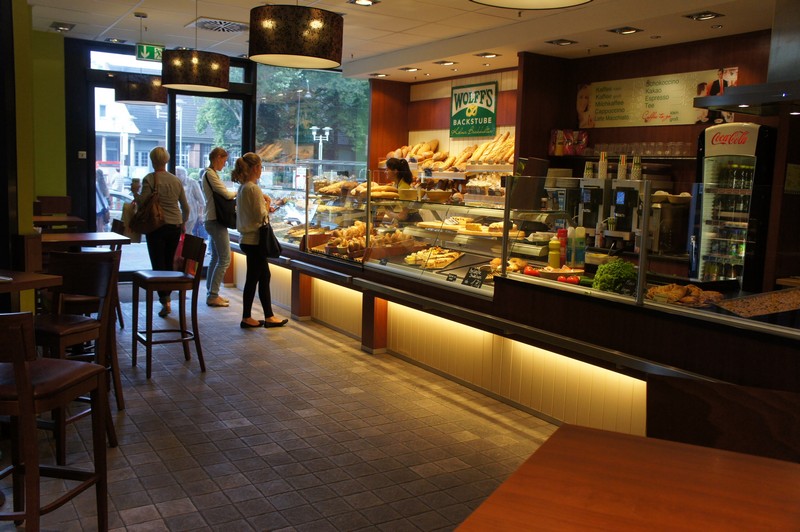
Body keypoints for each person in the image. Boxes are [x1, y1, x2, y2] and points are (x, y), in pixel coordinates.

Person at [233, 152, 287, 329]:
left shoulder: (243, 187)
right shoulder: (253, 188)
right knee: (254, 278)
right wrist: (268, 203)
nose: (261, 170)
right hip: (255, 240)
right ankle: (247, 317)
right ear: (256, 168)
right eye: (261, 167)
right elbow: (260, 215)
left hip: (247, 239)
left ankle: (267, 316)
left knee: (262, 276)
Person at [139, 147, 190, 318]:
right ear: (166, 160)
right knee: (169, 262)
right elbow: (186, 207)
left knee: (158, 264)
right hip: (174, 225)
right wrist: (183, 222)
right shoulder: (176, 180)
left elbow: (143, 202)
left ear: (152, 160)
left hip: (156, 226)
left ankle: (165, 300)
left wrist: (134, 192)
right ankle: (167, 297)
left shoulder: (150, 179)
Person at [202, 147, 236, 308]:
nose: (225, 163)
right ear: (217, 158)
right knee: (224, 258)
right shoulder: (210, 174)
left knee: (216, 257)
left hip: (211, 219)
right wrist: (238, 192)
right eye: (224, 160)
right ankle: (213, 295)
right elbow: (226, 194)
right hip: (215, 220)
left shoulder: (210, 174)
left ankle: (211, 292)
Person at [175, 165, 205, 238]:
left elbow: (201, 201)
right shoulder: (174, 183)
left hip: (190, 215)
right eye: (175, 174)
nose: (176, 176)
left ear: (185, 174)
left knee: (186, 235)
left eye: (178, 174)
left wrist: (200, 215)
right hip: (177, 216)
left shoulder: (192, 183)